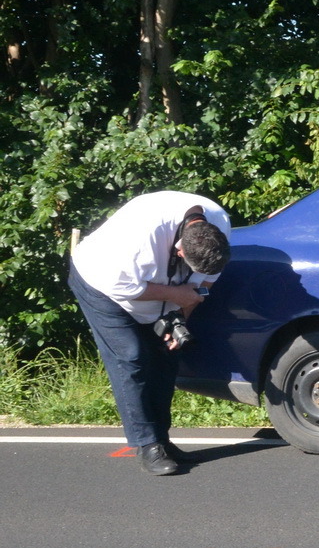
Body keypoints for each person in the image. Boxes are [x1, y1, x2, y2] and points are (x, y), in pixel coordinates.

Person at [68, 191, 232, 475]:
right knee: (131, 357)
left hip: (151, 287)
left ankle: (162, 440)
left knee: (166, 354)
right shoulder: (140, 236)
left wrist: (179, 321)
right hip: (101, 285)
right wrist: (176, 294)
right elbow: (122, 287)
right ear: (180, 250)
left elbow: (202, 287)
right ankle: (147, 445)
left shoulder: (219, 225)